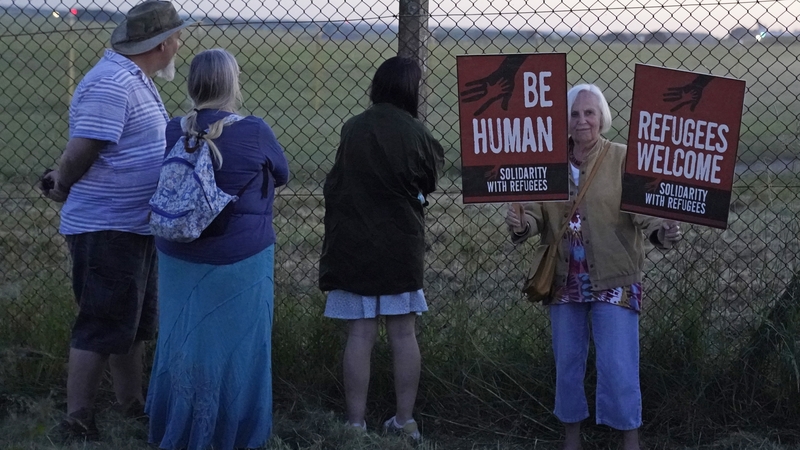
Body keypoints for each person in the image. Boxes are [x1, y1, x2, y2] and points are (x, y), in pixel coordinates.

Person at [38, 0, 192, 441]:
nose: (179, 45)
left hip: (131, 226)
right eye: (176, 38)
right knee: (102, 322)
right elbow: (84, 147)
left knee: (132, 324)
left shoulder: (133, 79)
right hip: (108, 227)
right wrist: (62, 183)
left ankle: (131, 406)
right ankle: (77, 420)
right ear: (161, 44)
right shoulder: (112, 83)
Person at [505, 84, 683, 450]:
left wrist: (663, 230)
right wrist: (522, 223)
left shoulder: (622, 158)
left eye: (589, 112)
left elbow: (644, 211)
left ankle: (629, 439)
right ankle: (572, 439)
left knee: (618, 366)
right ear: (565, 121)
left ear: (602, 117)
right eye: (574, 113)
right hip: (563, 280)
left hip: (614, 278)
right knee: (568, 365)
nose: (582, 120)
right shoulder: (548, 162)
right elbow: (537, 215)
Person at [145, 48, 289, 450]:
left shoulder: (175, 130)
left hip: (177, 258)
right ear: (232, 83)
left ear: (193, 84)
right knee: (240, 346)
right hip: (239, 259)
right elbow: (282, 174)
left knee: (182, 342)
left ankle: (181, 425)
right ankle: (234, 431)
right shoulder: (254, 130)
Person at [318, 56, 444, 441]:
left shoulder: (353, 128)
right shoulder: (418, 133)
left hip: (354, 243)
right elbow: (430, 180)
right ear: (410, 89)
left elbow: (336, 183)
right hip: (400, 244)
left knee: (360, 335)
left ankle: (355, 424)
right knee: (404, 334)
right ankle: (405, 420)